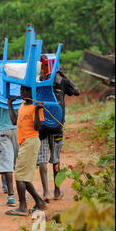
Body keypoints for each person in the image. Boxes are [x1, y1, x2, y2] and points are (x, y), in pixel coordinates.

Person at [36, 69, 80, 202]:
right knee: (56, 159)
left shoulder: (38, 83)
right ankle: (57, 190)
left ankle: (45, 193)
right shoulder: (62, 82)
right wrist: (63, 74)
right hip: (57, 127)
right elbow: (77, 91)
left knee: (42, 158)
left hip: (42, 127)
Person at [6, 86, 47, 216]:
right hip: (25, 142)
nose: (22, 93)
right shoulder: (23, 104)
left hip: (31, 141)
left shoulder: (36, 106)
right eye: (21, 90)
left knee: (19, 175)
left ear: (32, 91)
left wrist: (38, 110)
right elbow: (14, 121)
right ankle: (39, 202)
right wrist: (10, 105)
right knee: (24, 176)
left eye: (26, 91)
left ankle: (23, 207)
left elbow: (37, 127)